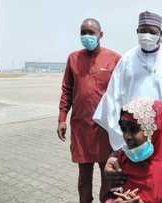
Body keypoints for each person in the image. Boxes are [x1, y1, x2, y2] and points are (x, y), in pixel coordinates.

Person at [93, 11, 162, 151]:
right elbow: (112, 99)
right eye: (143, 31)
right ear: (137, 31)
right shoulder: (127, 59)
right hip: (132, 133)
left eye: (152, 31)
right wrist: (122, 139)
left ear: (160, 33)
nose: (147, 35)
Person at [57, 18, 121, 203]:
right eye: (83, 32)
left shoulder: (114, 58)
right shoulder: (73, 59)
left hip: (105, 128)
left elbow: (121, 92)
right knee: (84, 176)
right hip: (81, 127)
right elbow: (67, 90)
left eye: (91, 33)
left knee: (107, 174)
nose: (87, 36)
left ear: (100, 35)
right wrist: (62, 118)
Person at [105, 98, 162, 203]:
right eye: (123, 129)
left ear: (154, 131)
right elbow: (110, 195)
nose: (127, 136)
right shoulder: (121, 160)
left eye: (133, 129)